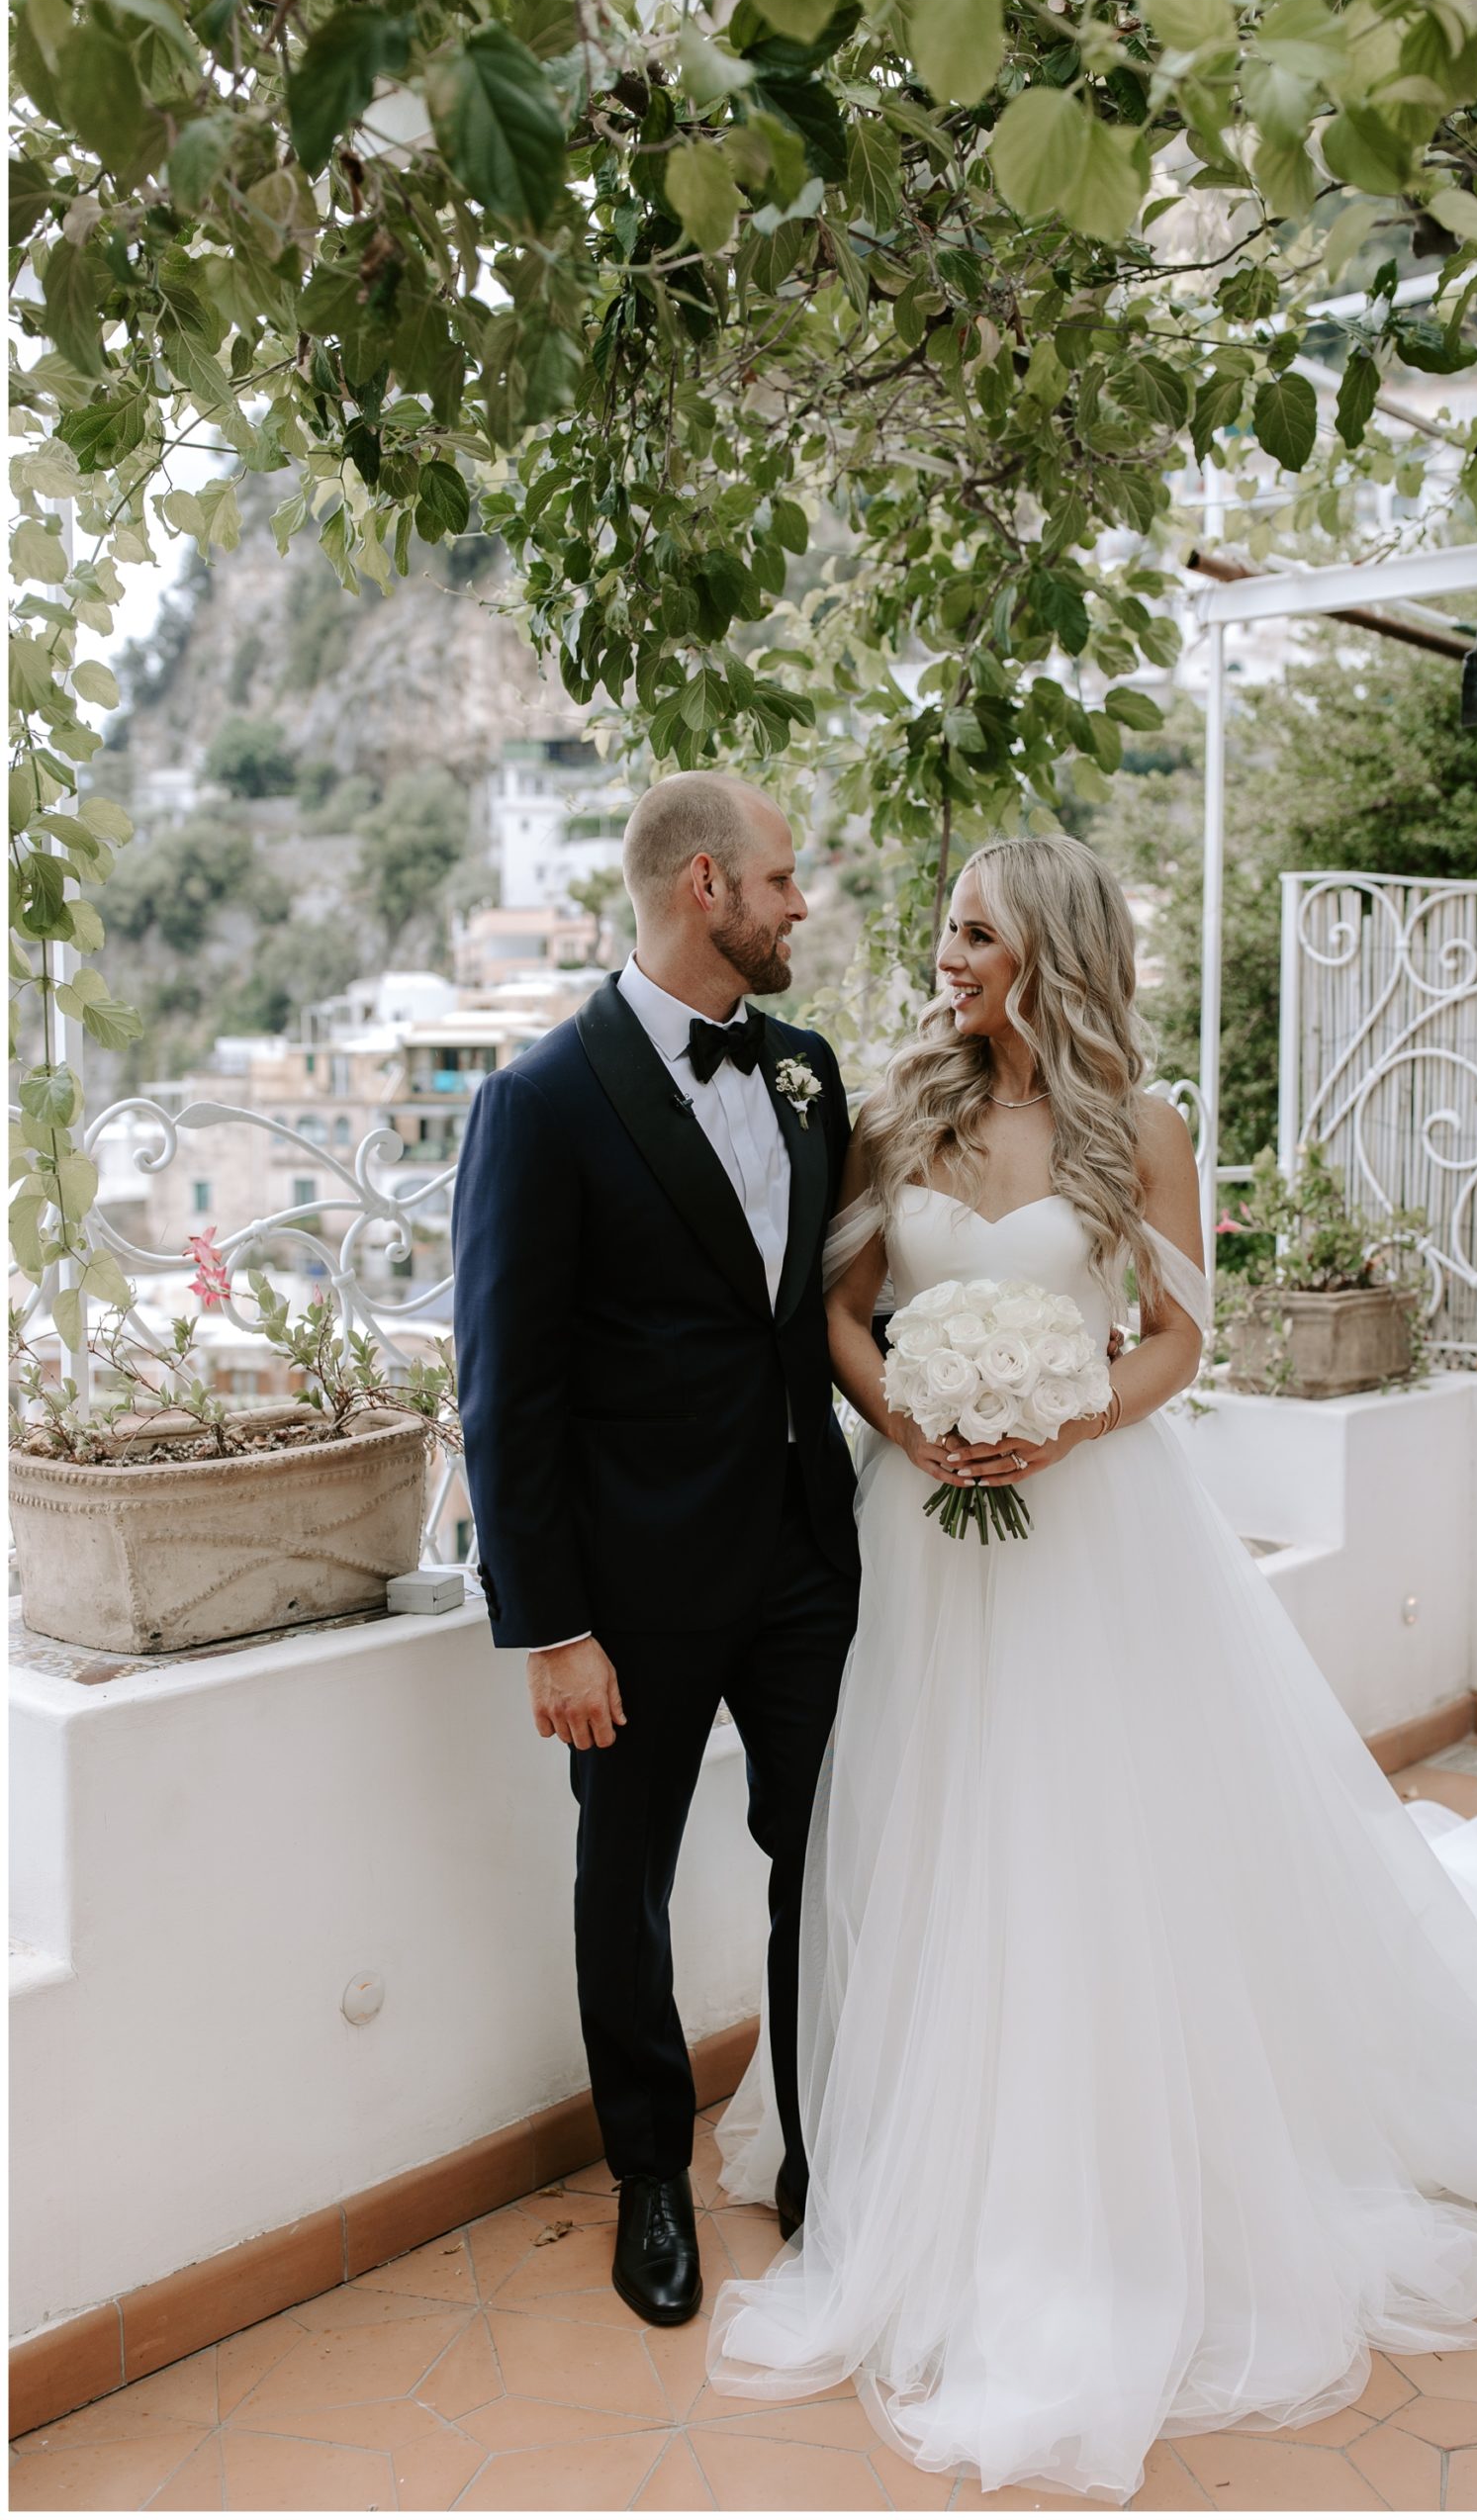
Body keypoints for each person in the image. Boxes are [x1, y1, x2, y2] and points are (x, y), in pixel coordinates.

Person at [703, 833, 1477, 2502]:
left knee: (1090, 1837)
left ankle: (1095, 2154)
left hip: (1095, 1531)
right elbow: (845, 1312)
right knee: (930, 1829)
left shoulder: (1138, 1133)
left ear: (1054, 951)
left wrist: (1061, 1418)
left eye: (975, 935)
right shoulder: (900, 1114)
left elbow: (1178, 1339)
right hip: (921, 1536)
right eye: (946, 931)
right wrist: (914, 1421)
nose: (948, 959)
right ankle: (923, 2138)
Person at [451, 770, 859, 2328]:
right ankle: (649, 2184)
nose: (798, 902)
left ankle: (822, 2144)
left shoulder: (808, 1069)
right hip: (628, 1590)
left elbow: (823, 1314)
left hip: (809, 1561)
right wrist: (549, 1625)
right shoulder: (541, 1099)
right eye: (781, 876)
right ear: (706, 885)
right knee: (620, 1878)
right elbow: (506, 1388)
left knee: (826, 1856)